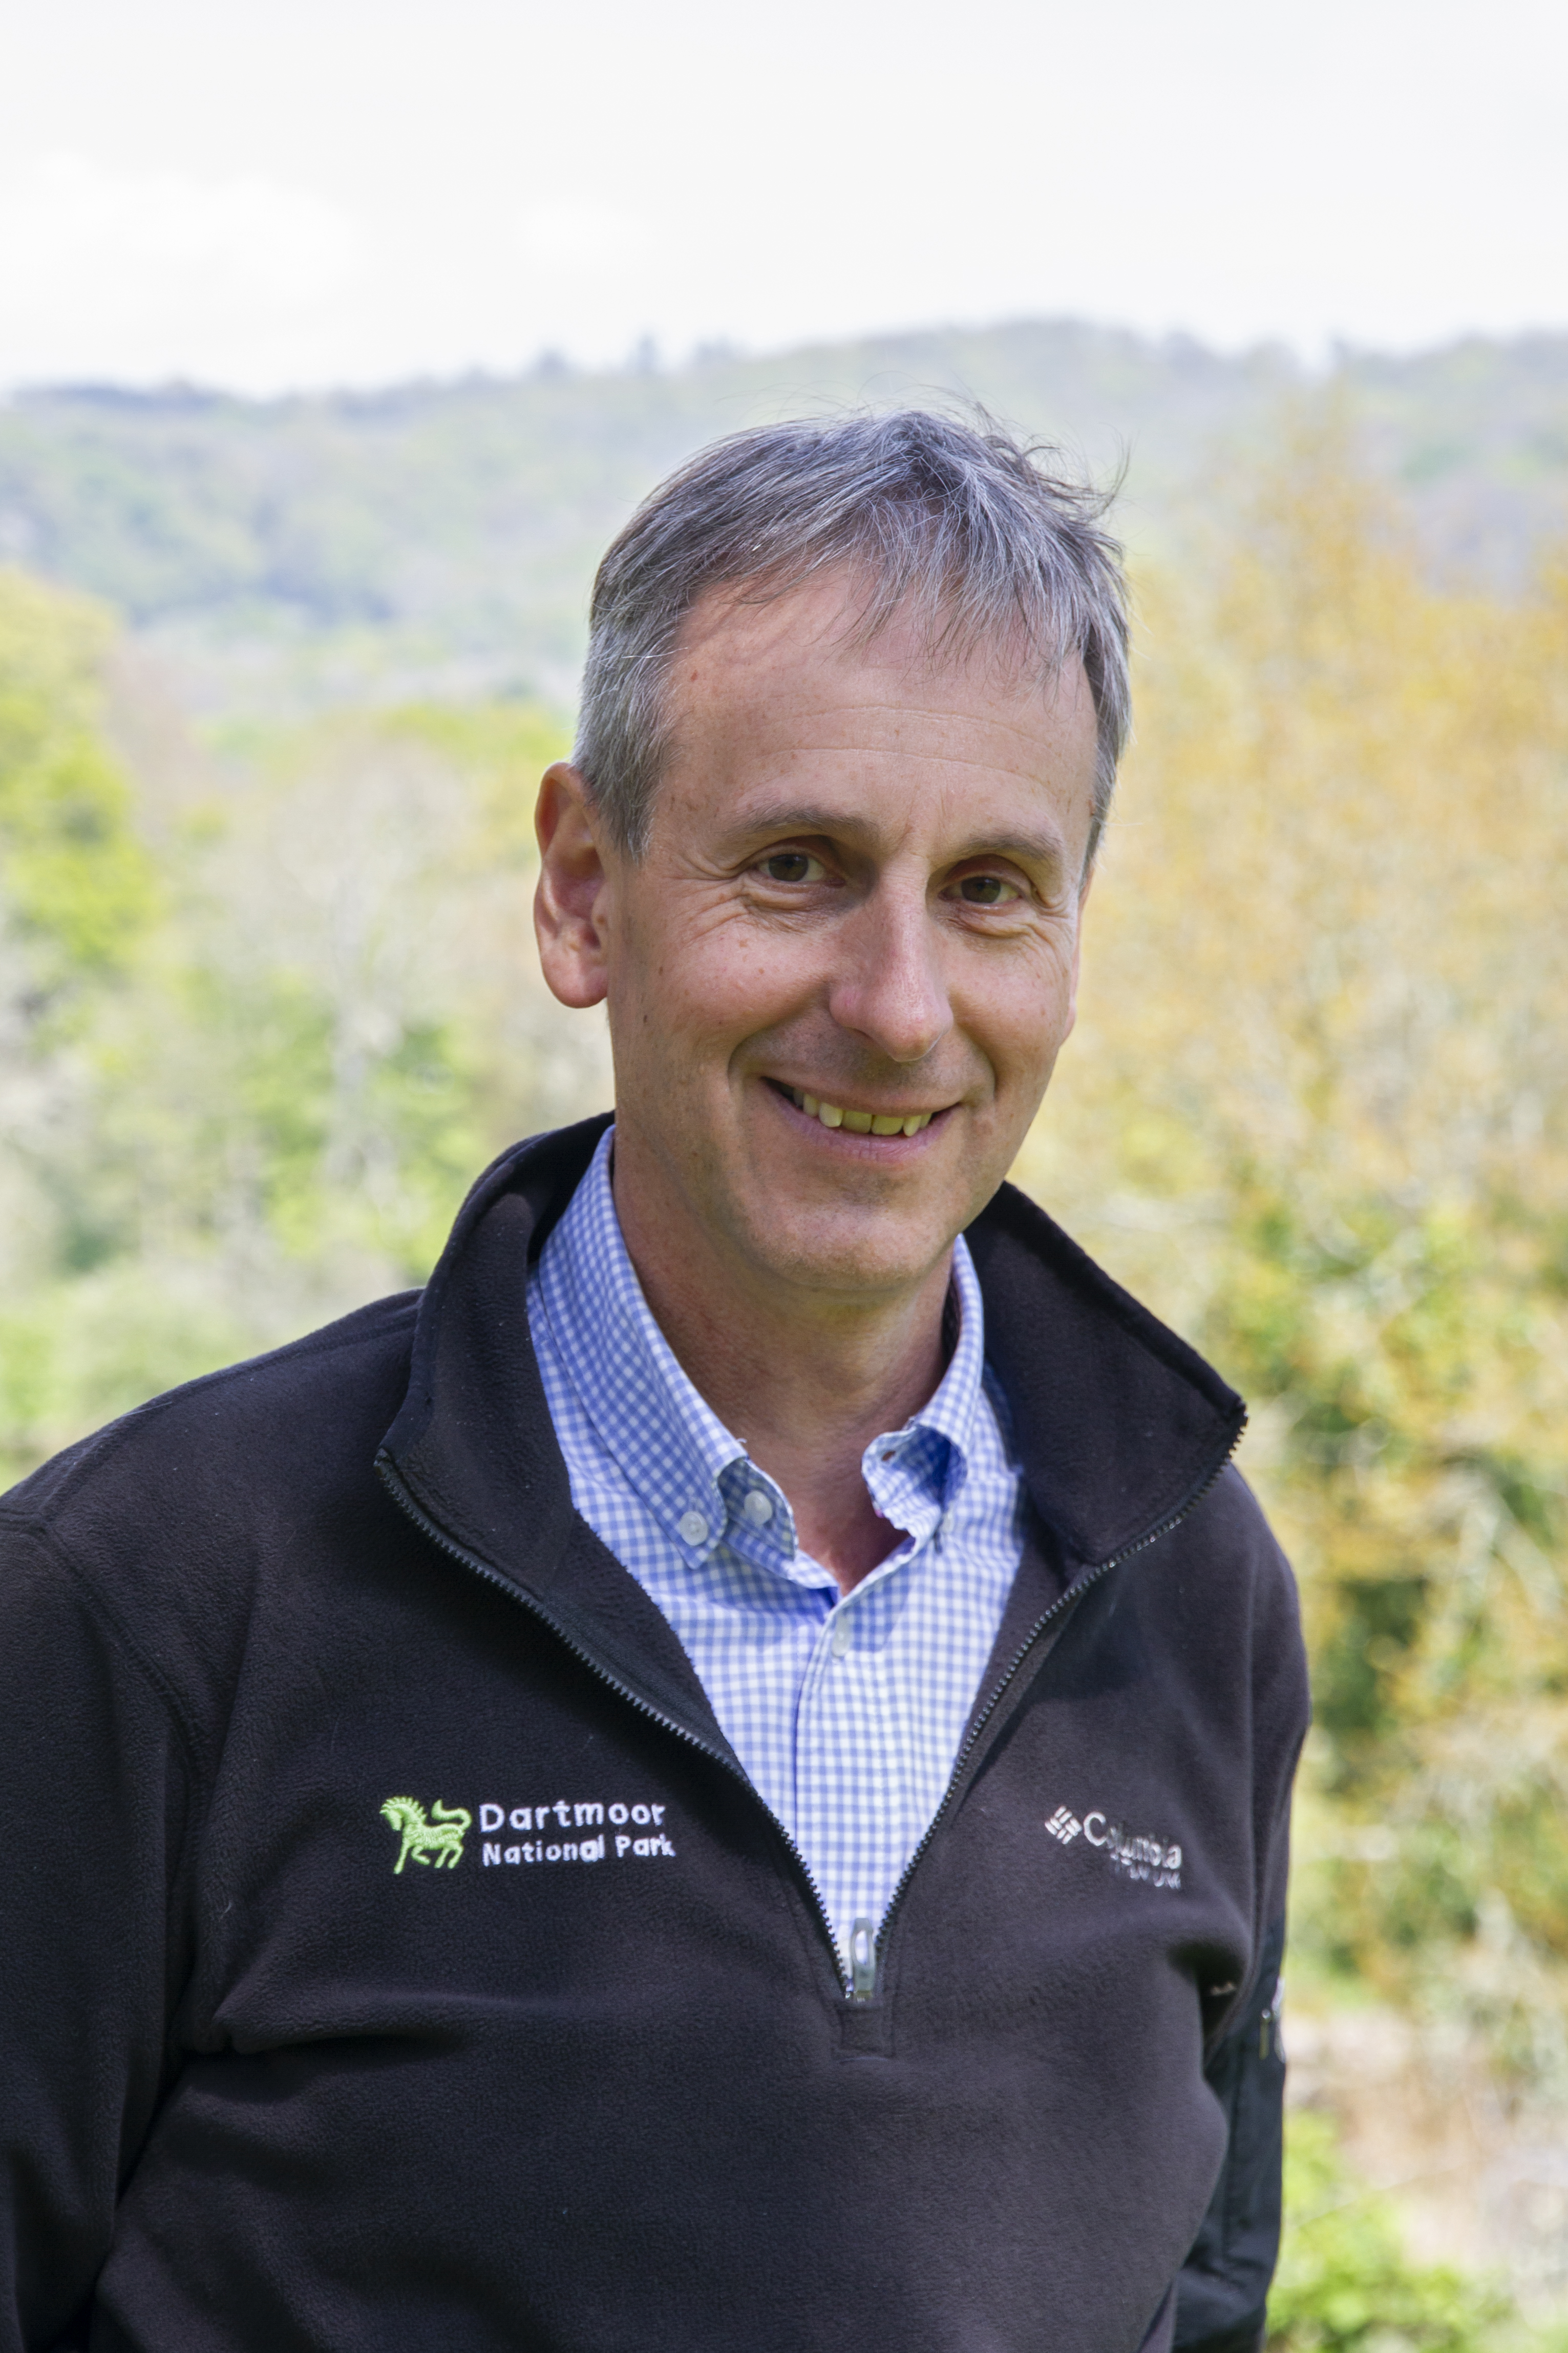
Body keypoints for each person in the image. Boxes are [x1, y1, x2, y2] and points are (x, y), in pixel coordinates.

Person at [0, 411, 1308, 2352]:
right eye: (797, 866)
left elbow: (1197, 2292)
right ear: (583, 891)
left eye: (994, 889)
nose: (898, 1003)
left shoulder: (1193, 1585)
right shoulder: (153, 1595)